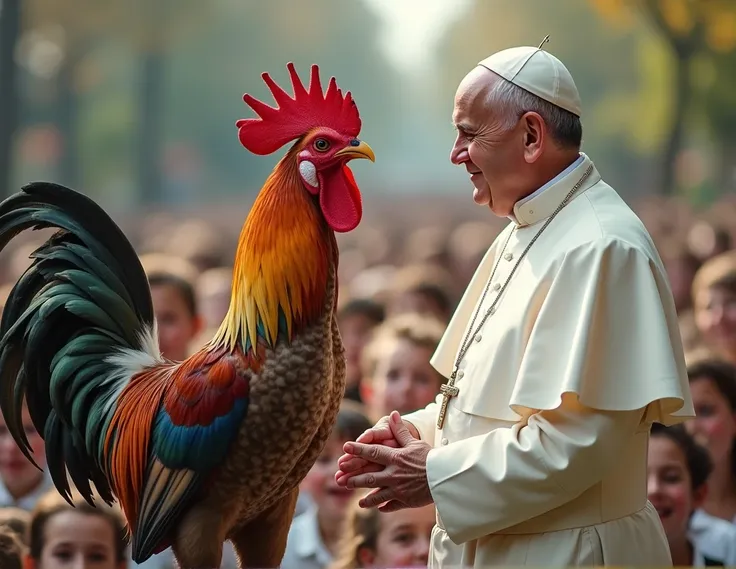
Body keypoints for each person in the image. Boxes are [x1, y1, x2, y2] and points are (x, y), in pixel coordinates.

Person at [335, 41, 694, 566]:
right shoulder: (524, 227)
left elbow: (577, 442)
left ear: (530, 136)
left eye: (469, 134)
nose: (456, 154)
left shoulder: (601, 247)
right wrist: (413, 434)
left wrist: (433, 471)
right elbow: (484, 405)